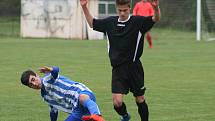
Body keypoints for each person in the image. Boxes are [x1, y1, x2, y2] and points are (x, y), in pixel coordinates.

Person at [80, 0, 160, 121]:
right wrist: (84, 7)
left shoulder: (138, 22)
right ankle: (125, 116)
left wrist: (156, 7)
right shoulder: (110, 22)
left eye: (125, 10)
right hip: (118, 69)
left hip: (134, 68)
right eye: (120, 10)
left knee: (140, 99)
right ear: (117, 9)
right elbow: (92, 23)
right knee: (117, 103)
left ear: (130, 8)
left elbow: (156, 18)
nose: (122, 13)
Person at [20, 66, 105, 121]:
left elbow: (56, 71)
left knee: (82, 98)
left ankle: (97, 115)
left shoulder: (47, 79)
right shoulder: (45, 97)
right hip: (76, 109)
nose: (34, 84)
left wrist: (51, 69)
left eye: (33, 80)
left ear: (36, 75)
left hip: (80, 92)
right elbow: (53, 111)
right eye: (31, 85)